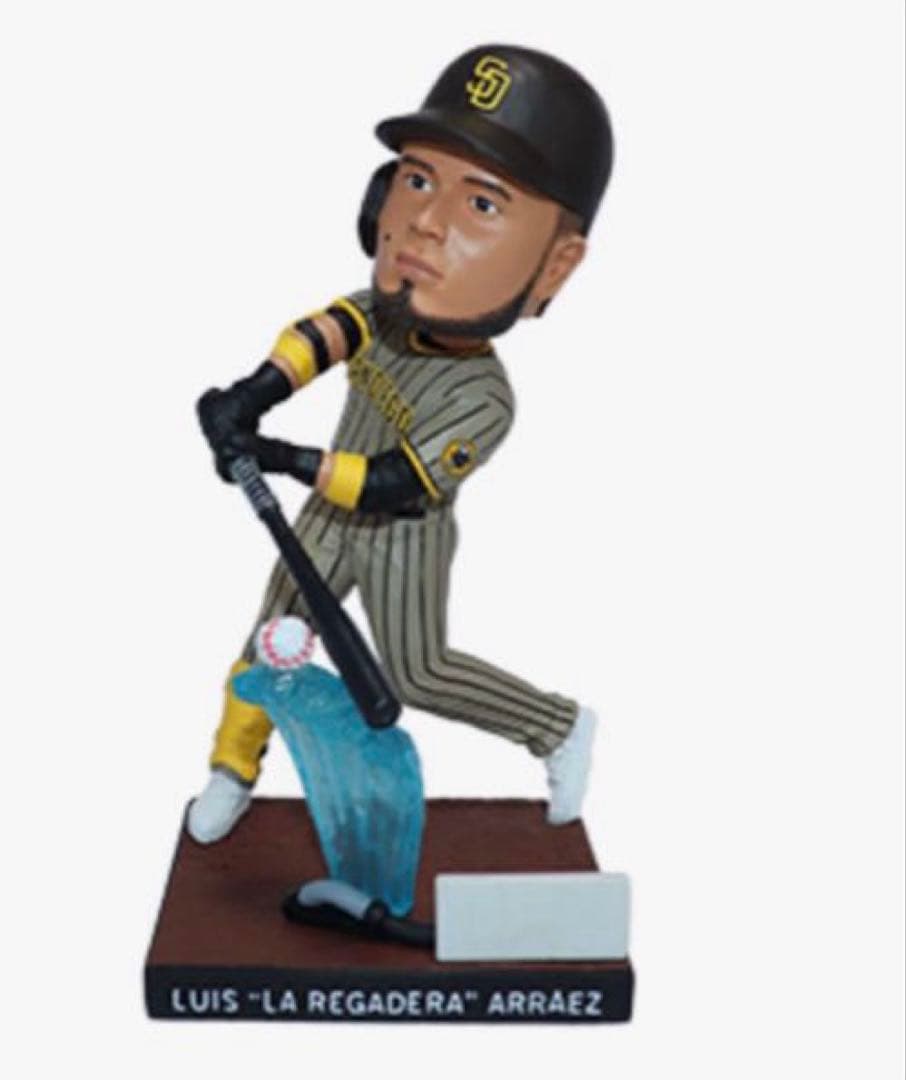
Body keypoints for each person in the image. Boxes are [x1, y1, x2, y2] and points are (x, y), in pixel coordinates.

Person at [188, 44, 615, 844]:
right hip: (326, 514)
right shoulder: (382, 311)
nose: (426, 220)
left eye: (481, 203)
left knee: (418, 673)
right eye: (418, 180)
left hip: (403, 538)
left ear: (554, 267)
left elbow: (390, 482)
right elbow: (322, 334)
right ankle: (232, 769)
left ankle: (557, 726)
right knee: (271, 637)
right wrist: (252, 394)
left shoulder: (483, 399)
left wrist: (277, 457)